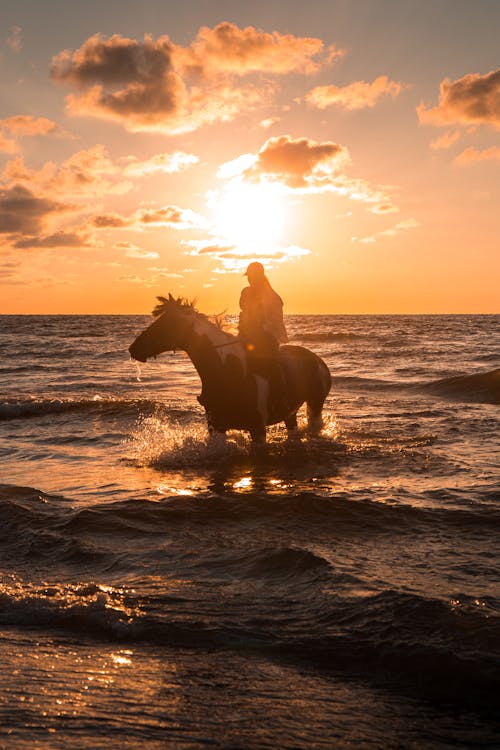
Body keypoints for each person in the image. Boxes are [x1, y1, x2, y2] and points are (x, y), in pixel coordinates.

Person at [238, 262, 290, 413]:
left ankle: (281, 398)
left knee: (271, 363)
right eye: (249, 277)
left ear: (260, 276)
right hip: (247, 336)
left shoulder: (273, 297)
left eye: (252, 277)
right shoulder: (245, 293)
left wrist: (262, 328)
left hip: (267, 337)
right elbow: (243, 312)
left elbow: (276, 321)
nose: (250, 280)